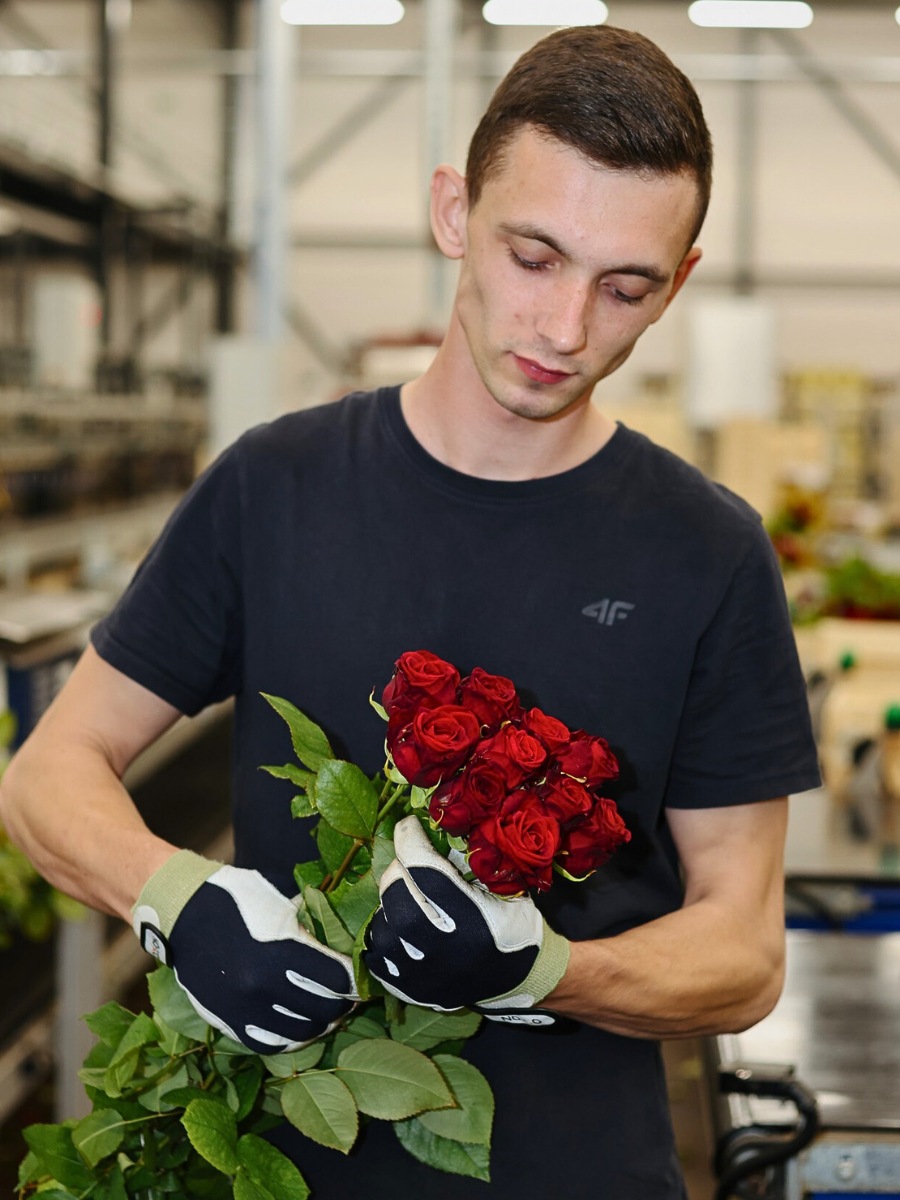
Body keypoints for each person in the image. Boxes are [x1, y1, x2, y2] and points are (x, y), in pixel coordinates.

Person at [0, 23, 820, 1199]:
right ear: (453, 214)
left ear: (677, 283)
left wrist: (547, 971)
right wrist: (173, 897)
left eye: (625, 286)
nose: (566, 328)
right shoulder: (272, 487)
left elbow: (742, 952)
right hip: (277, 1167)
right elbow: (47, 774)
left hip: (576, 1173)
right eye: (533, 256)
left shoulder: (709, 551)